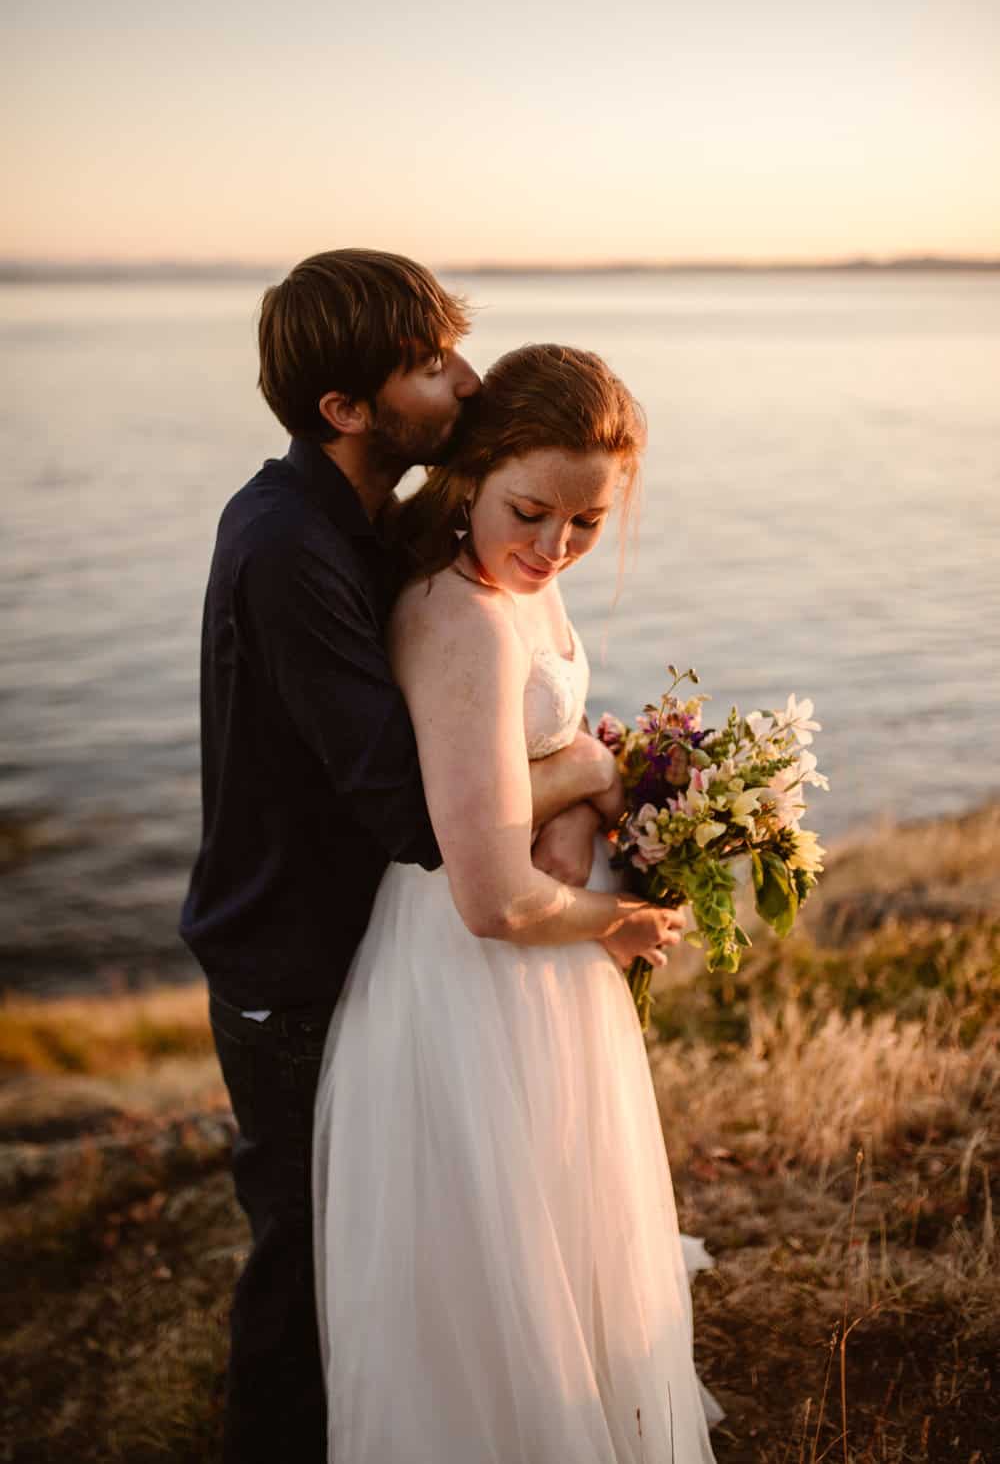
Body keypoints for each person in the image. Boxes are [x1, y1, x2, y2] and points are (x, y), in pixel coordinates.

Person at [179, 251, 642, 1464]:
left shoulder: (374, 523)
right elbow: (412, 809)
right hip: (290, 957)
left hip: (369, 938)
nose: (467, 378)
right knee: (311, 1260)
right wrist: (593, 770)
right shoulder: (288, 545)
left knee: (403, 1244)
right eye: (430, 366)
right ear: (346, 408)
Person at [313, 343, 721, 1462]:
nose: (554, 546)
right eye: (531, 512)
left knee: (558, 1223)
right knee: (495, 1255)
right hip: (473, 975)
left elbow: (526, 758)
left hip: (545, 952)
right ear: (472, 475)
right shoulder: (461, 620)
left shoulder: (521, 584)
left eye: (587, 522)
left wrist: (591, 799)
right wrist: (623, 916)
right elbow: (489, 894)